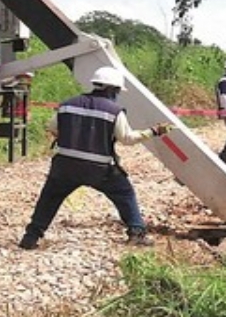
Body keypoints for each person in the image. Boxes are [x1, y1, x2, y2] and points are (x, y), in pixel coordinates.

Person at [19, 66, 170, 250]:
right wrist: (153, 131)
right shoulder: (114, 111)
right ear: (113, 89)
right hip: (99, 169)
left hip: (65, 165)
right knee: (124, 194)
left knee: (49, 198)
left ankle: (31, 237)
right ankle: (136, 234)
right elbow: (127, 139)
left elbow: (52, 127)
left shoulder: (67, 104)